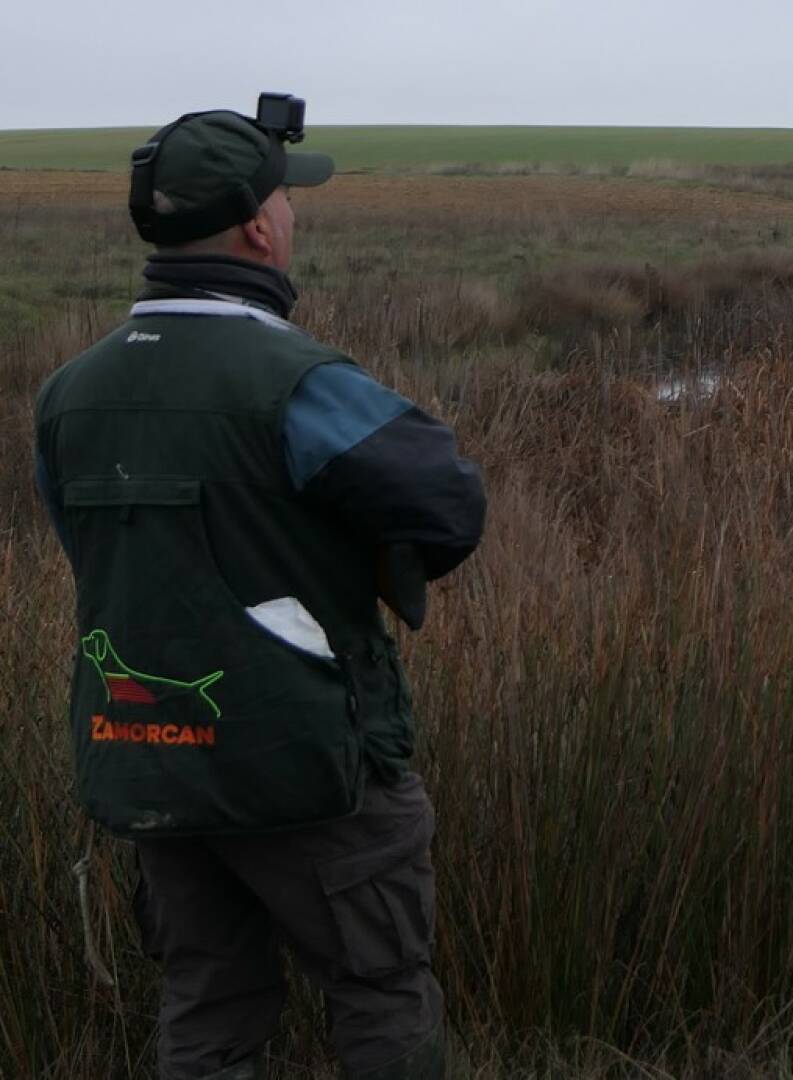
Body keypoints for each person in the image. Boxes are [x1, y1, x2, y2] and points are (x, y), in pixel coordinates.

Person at [31, 101, 486, 1080]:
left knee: (208, 1005)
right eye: (287, 198)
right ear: (257, 228)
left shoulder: (68, 394)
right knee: (379, 990)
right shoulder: (298, 382)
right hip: (310, 761)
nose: (292, 216)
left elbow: (95, 553)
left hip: (151, 760)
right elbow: (447, 505)